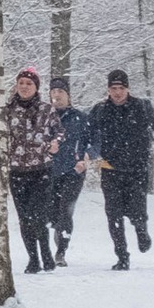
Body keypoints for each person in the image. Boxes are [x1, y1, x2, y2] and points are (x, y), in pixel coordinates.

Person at [82, 68, 154, 267]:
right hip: (110, 167)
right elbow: (86, 134)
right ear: (108, 90)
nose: (117, 92)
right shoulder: (100, 109)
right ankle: (122, 256)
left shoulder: (142, 107)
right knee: (113, 214)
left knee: (137, 210)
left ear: (128, 89)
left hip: (137, 168)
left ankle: (141, 229)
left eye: (121, 88)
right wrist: (88, 154)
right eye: (113, 88)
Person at [6, 64, 61, 274]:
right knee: (24, 218)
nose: (24, 87)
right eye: (21, 83)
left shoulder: (47, 109)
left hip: (41, 170)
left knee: (38, 215)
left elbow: (59, 131)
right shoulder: (8, 110)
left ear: (36, 87)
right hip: (17, 170)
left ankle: (46, 252)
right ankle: (33, 258)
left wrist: (55, 143)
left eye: (29, 83)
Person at [45, 78, 87, 262]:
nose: (57, 95)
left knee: (66, 210)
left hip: (73, 171)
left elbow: (94, 140)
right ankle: (57, 229)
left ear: (68, 95)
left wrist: (86, 157)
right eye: (53, 91)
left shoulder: (80, 117)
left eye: (60, 91)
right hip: (48, 170)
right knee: (51, 212)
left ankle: (61, 250)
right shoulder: (44, 116)